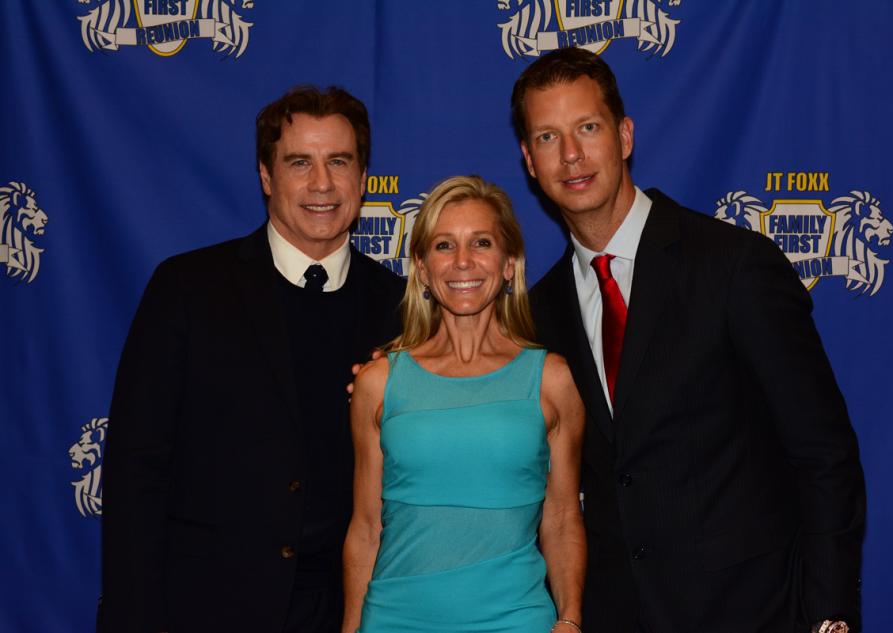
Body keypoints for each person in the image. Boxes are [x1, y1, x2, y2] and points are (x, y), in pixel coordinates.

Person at [515, 48, 866, 633]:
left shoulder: (733, 266)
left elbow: (823, 452)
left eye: (588, 127)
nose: (571, 154)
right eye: (548, 137)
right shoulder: (539, 313)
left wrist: (830, 615)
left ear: (624, 136)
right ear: (530, 161)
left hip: (752, 613)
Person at [99, 85, 405, 633]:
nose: (321, 183)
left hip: (354, 612)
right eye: (299, 163)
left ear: (362, 177)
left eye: (339, 162)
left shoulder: (402, 309)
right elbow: (136, 472)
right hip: (207, 609)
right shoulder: (188, 289)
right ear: (266, 176)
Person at [342, 175, 586, 633]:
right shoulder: (378, 382)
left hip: (516, 621)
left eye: (481, 242)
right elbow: (366, 527)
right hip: (395, 621)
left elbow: (562, 517)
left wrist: (570, 619)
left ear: (509, 263)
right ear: (422, 268)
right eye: (443, 245)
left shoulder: (551, 379)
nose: (462, 262)